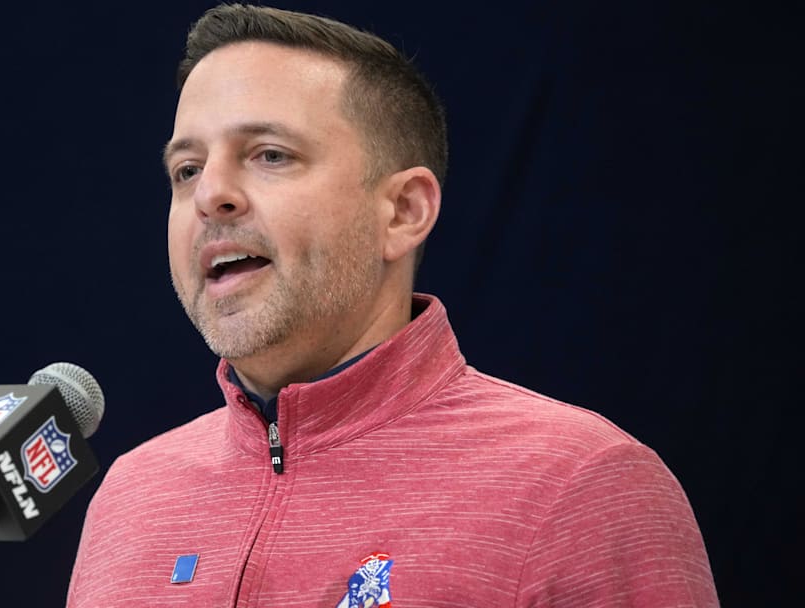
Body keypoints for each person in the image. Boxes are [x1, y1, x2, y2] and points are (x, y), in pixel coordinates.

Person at [66, 4, 718, 606]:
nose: (212, 196)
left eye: (270, 155)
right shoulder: (131, 496)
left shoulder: (582, 485)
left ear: (404, 211)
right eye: (186, 170)